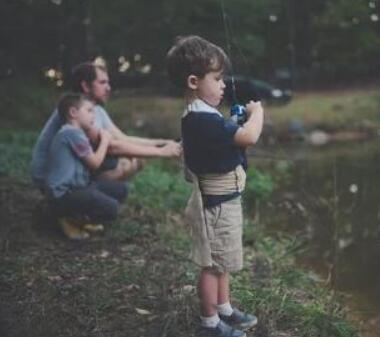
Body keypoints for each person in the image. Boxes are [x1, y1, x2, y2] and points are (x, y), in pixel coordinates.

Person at [166, 35, 264, 337]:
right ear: (194, 81)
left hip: (224, 203)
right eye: (217, 78)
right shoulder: (202, 119)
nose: (223, 85)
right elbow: (248, 137)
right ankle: (210, 325)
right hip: (217, 207)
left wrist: (234, 122)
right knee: (211, 265)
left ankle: (224, 309)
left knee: (221, 262)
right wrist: (257, 114)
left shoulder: (203, 116)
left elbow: (223, 138)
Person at [31, 62, 181, 189]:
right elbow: (112, 146)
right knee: (126, 162)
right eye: (102, 82)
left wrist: (162, 142)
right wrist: (162, 152)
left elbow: (123, 138)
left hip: (70, 171)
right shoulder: (78, 112)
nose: (108, 87)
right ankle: (79, 205)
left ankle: (89, 202)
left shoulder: (95, 109)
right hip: (48, 177)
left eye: (108, 82)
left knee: (135, 159)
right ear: (85, 86)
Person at [45, 93, 128, 240]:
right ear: (73, 113)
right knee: (112, 208)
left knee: (121, 189)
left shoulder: (76, 133)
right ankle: (69, 219)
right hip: (63, 195)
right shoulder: (71, 133)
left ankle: (80, 215)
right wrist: (105, 140)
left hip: (78, 189)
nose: (93, 116)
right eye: (89, 111)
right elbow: (95, 163)